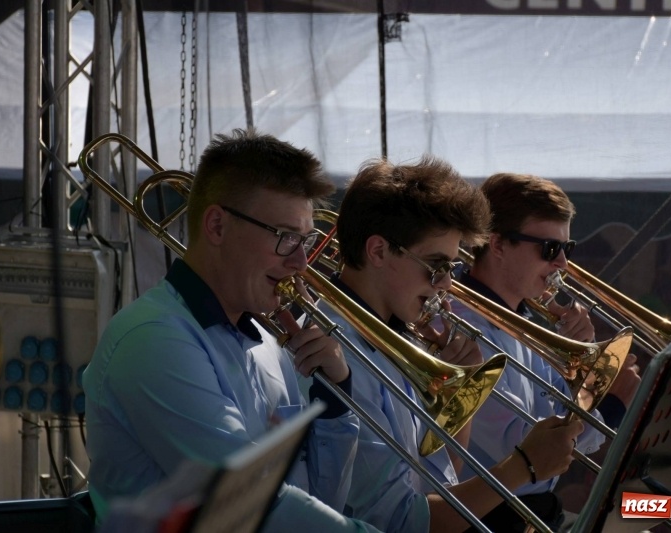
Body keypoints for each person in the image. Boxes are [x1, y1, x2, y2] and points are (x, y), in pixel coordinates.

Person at [83, 128, 379, 532]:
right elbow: (249, 504)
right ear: (218, 226)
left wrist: (336, 400)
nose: (300, 263)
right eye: (285, 237)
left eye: (305, 240)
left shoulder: (269, 346)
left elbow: (321, 499)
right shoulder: (154, 339)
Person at [322, 157, 584, 533]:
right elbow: (405, 521)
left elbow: (440, 477)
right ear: (378, 252)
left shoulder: (403, 335)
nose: (446, 284)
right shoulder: (333, 351)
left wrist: (457, 403)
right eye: (436, 265)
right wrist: (521, 467)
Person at [451, 172, 641, 527]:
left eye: (567, 249)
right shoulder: (463, 328)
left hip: (533, 509)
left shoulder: (524, 316)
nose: (562, 265)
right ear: (498, 245)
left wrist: (582, 375)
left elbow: (556, 411)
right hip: (490, 518)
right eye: (550, 249)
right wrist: (612, 404)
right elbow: (526, 449)